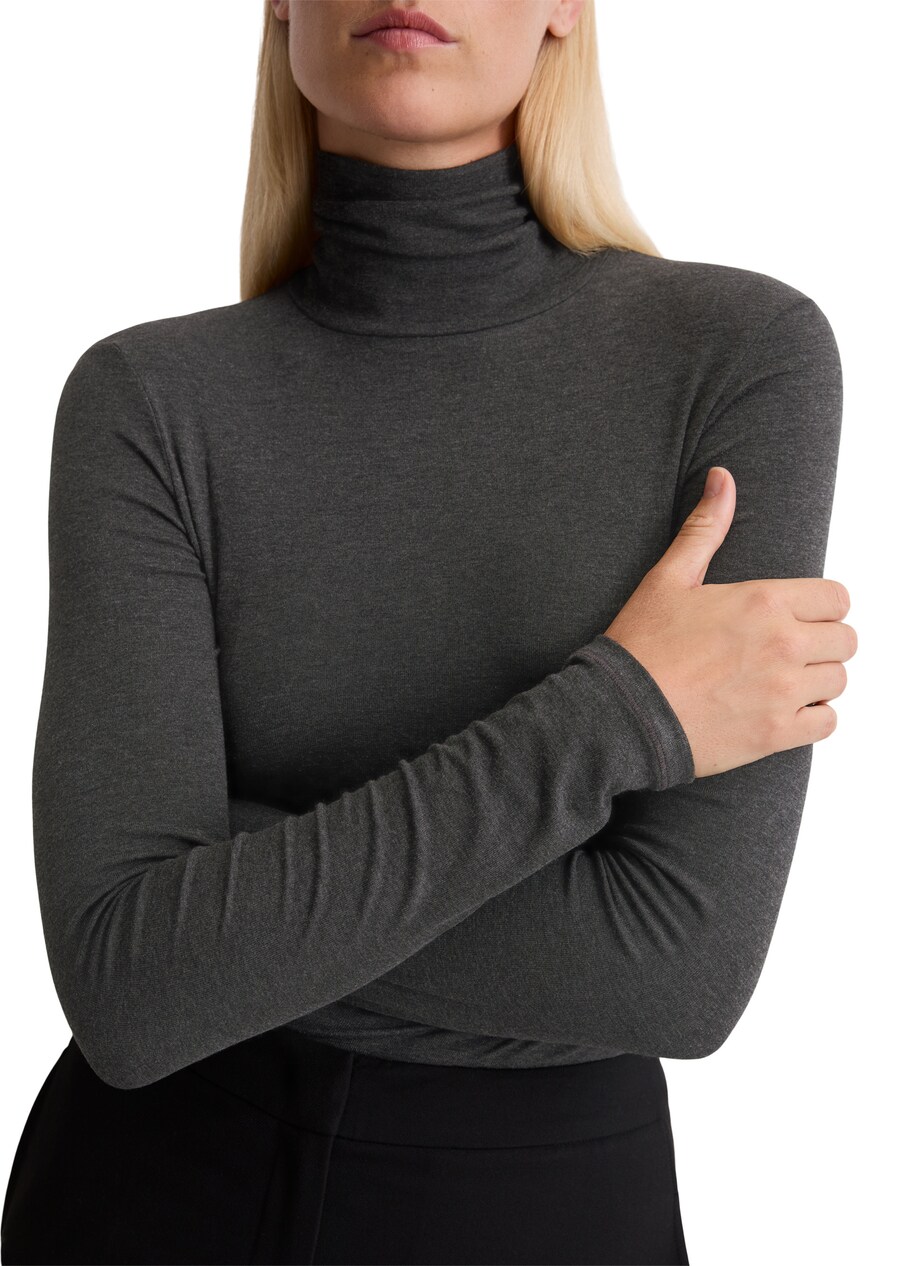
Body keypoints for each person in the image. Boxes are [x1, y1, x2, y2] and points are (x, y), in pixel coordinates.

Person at [1, 1, 856, 1263]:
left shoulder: (734, 357)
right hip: (149, 1196)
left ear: (565, 7)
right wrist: (618, 714)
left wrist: (221, 899)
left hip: (542, 1215)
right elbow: (127, 980)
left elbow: (675, 971)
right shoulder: (151, 401)